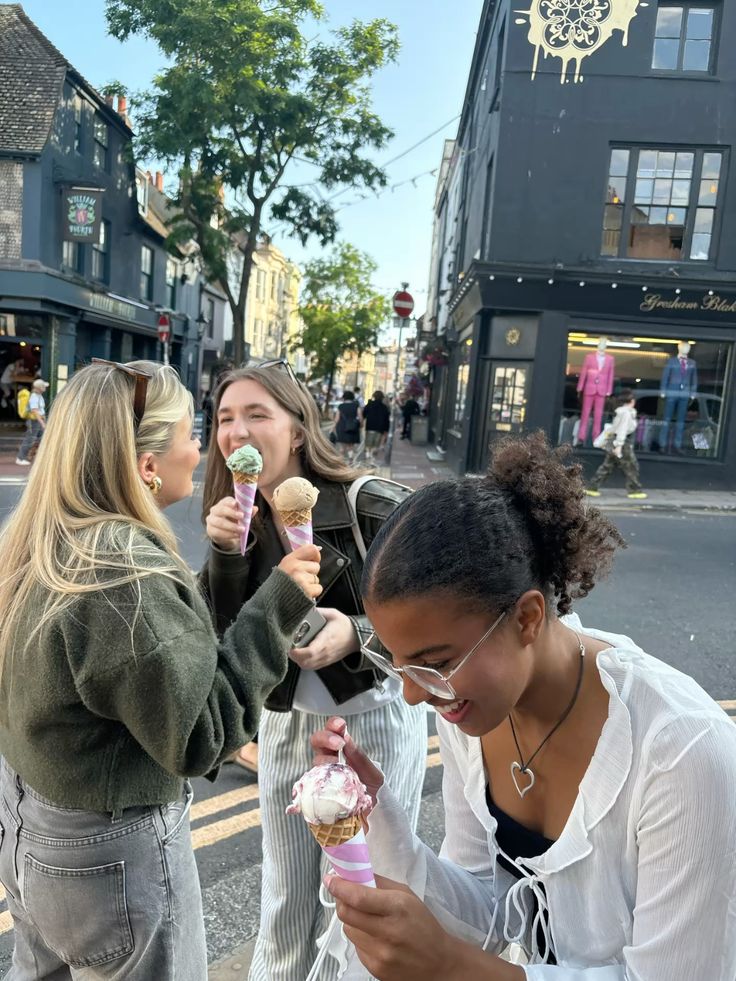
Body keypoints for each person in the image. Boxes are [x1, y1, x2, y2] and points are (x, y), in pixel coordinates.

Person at [312, 431, 736, 979]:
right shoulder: (474, 710)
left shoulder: (684, 754)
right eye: (397, 662)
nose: (415, 694)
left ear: (528, 617)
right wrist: (383, 822)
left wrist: (450, 968)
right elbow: (492, 910)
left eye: (435, 663)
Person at [0, 359, 321, 979]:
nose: (204, 449)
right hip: (109, 853)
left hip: (29, 825)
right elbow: (201, 732)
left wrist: (226, 562)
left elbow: (158, 658)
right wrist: (278, 604)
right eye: (191, 433)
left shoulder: (42, 540)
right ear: (147, 465)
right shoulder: (124, 573)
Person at [200, 362, 427, 981]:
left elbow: (452, 601)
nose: (236, 432)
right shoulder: (233, 520)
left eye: (256, 415)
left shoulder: (368, 502)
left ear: (296, 431)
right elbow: (223, 639)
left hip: (371, 724)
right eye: (224, 418)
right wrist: (224, 557)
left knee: (357, 896)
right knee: (284, 894)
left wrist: (357, 632)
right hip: (285, 724)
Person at [586, 389, 647, 499]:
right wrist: (619, 446)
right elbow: (622, 430)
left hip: (616, 441)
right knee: (631, 466)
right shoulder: (626, 414)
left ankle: (592, 487)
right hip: (622, 443)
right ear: (632, 401)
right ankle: (634, 490)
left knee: (607, 466)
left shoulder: (623, 412)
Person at [15, 377, 49, 466]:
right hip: (34, 421)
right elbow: (34, 411)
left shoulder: (39, 396)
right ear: (39, 388)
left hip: (39, 420)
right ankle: (20, 458)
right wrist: (42, 422)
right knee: (30, 439)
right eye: (43, 386)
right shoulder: (34, 397)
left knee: (41, 438)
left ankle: (38, 457)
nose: (45, 388)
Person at [361, 390, 390, 463]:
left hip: (370, 427)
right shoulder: (384, 407)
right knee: (376, 444)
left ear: (374, 396)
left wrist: (361, 423)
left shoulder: (369, 404)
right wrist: (386, 430)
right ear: (382, 398)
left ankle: (368, 455)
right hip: (380, 428)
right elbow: (387, 420)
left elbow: (363, 414)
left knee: (368, 443)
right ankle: (372, 456)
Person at [333, 388, 361, 461]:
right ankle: (351, 459)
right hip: (353, 427)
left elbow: (337, 418)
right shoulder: (356, 405)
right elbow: (360, 417)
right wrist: (361, 425)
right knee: (350, 445)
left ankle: (341, 461)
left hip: (342, 428)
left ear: (344, 397)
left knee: (342, 446)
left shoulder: (341, 406)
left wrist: (333, 427)